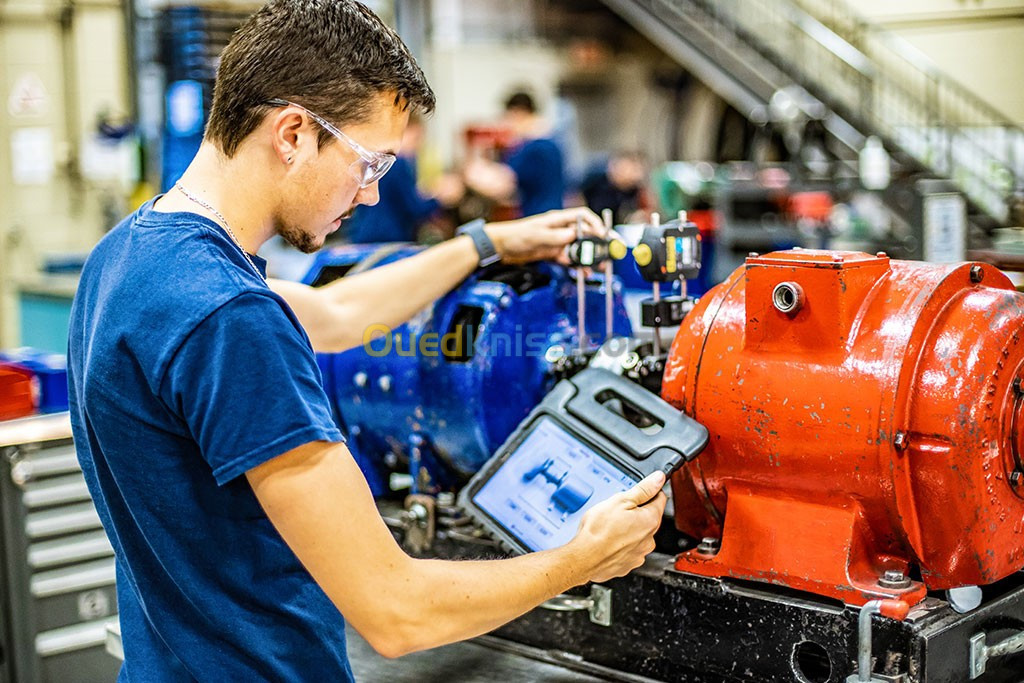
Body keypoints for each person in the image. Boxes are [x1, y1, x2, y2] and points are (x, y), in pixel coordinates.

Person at [66, 1, 667, 680]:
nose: (374, 195)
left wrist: (487, 243)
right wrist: (583, 557)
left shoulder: (127, 259)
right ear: (292, 132)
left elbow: (337, 313)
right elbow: (393, 608)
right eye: (369, 164)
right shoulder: (230, 317)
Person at [344, 113, 463, 243]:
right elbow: (414, 208)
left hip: (364, 233)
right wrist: (441, 199)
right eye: (416, 138)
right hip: (386, 238)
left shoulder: (378, 160)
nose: (418, 145)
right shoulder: (399, 163)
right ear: (403, 131)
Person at [465, 91, 565, 217]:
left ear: (519, 113)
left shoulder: (533, 148)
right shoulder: (553, 142)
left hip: (538, 218)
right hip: (554, 213)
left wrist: (470, 174)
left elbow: (500, 186)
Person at [581, 150, 651, 225]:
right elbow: (576, 201)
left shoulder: (635, 190)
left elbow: (646, 211)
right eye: (632, 169)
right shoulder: (595, 181)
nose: (637, 175)